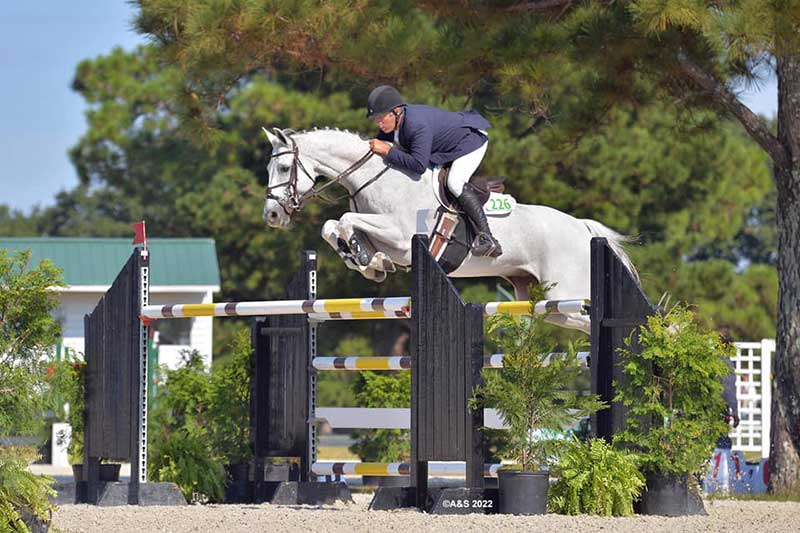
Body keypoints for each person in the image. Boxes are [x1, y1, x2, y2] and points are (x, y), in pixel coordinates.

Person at [365, 85, 502, 257]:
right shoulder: (393, 124)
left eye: (381, 118)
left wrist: (388, 151)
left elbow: (418, 165)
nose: (378, 123)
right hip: (444, 145)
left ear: (397, 111)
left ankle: (486, 237)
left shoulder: (415, 125)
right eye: (375, 119)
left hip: (470, 141)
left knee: (454, 182)